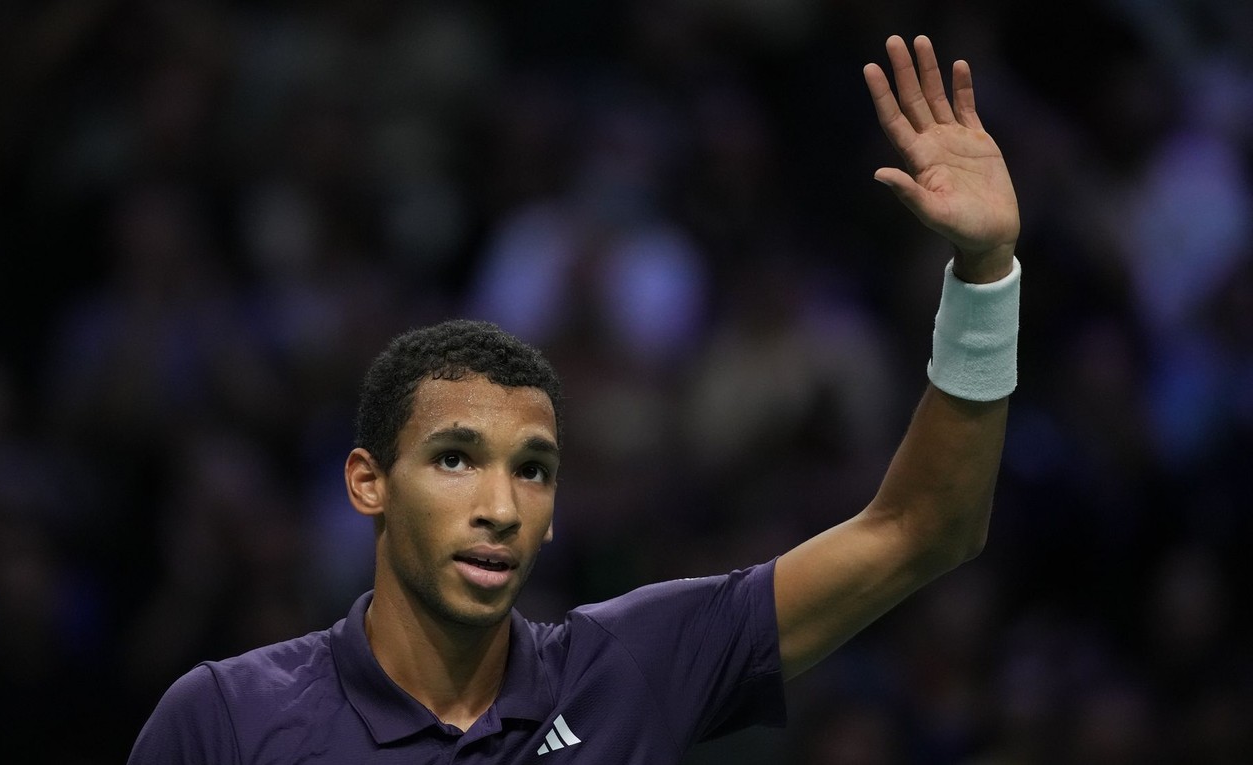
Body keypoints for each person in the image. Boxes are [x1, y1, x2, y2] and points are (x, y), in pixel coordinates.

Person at [128, 34, 1022, 763]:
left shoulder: (630, 669)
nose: (499, 505)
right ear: (368, 482)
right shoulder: (225, 719)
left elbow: (923, 527)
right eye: (455, 458)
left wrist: (984, 276)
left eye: (534, 471)